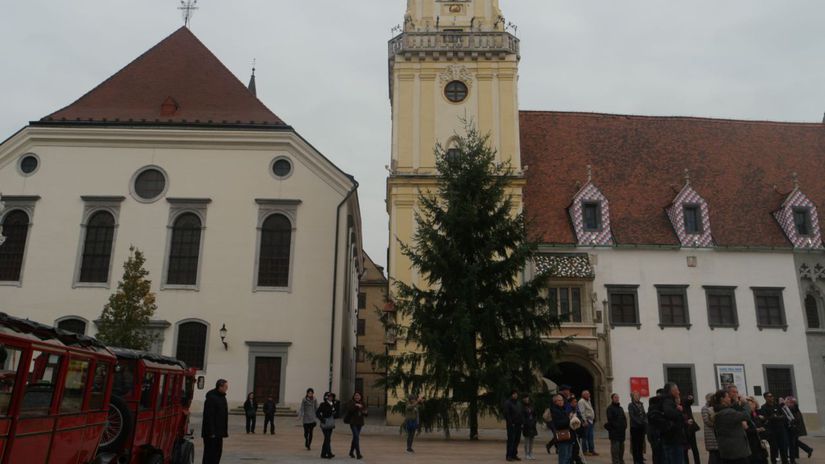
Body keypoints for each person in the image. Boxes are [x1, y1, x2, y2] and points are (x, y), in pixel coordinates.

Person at [713, 390, 751, 464]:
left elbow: (732, 408)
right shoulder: (727, 412)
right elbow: (746, 416)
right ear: (722, 399)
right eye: (728, 397)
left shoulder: (720, 411)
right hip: (736, 451)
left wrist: (736, 402)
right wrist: (745, 403)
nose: (730, 399)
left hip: (727, 450)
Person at [202, 379, 229, 464]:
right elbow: (209, 416)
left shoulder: (222, 397)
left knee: (217, 453)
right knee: (210, 454)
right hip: (212, 433)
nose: (226, 389)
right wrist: (211, 432)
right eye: (225, 387)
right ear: (220, 386)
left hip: (219, 432)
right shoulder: (211, 398)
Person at [760, 392, 789, 464]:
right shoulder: (764, 407)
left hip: (781, 431)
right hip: (772, 432)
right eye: (769, 396)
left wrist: (775, 417)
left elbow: (784, 416)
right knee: (774, 449)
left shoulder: (777, 406)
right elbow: (765, 419)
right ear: (765, 398)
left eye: (772, 396)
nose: (771, 398)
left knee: (783, 448)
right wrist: (773, 417)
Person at [661, 383, 687, 464]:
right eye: (677, 390)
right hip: (673, 439)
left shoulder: (669, 401)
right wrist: (679, 411)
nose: (679, 392)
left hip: (673, 439)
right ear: (672, 391)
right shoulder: (668, 402)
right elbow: (670, 414)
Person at [783, 397, 813, 463]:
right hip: (793, 429)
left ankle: (793, 459)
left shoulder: (793, 409)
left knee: (793, 444)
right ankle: (808, 450)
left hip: (793, 429)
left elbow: (794, 419)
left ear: (792, 403)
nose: (786, 403)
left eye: (788, 402)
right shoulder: (794, 408)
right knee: (794, 443)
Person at [550, 394, 576, 464]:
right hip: (562, 436)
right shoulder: (555, 411)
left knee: (569, 457)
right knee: (563, 458)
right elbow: (558, 424)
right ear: (555, 401)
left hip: (569, 436)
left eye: (562, 400)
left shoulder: (564, 409)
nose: (561, 401)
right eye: (559, 400)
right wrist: (569, 419)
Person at [744, 397, 768, 464]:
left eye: (752, 404)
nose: (752, 406)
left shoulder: (755, 415)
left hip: (759, 442)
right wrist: (757, 430)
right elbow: (747, 430)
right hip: (752, 444)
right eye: (749, 405)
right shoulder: (746, 417)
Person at [344, 391, 368, 459]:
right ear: (354, 396)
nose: (357, 397)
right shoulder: (351, 402)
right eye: (356, 395)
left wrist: (364, 411)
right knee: (356, 437)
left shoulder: (363, 403)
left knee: (355, 438)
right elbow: (350, 409)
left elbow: (365, 413)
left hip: (360, 423)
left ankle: (351, 452)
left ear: (361, 397)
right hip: (353, 422)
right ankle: (358, 453)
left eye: (358, 396)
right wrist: (356, 405)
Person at [606, 393, 628, 464]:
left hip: (621, 432)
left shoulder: (620, 408)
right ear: (612, 398)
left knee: (622, 449)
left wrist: (625, 426)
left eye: (618, 397)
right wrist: (617, 427)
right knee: (615, 449)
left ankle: (621, 461)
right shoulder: (610, 408)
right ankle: (616, 462)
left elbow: (624, 419)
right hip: (614, 432)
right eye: (615, 397)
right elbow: (610, 420)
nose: (617, 398)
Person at [504, 389, 525, 462]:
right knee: (511, 440)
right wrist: (511, 423)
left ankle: (514, 454)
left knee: (517, 440)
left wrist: (522, 423)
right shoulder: (508, 403)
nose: (515, 395)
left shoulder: (519, 403)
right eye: (514, 394)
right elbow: (507, 414)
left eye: (516, 394)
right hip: (511, 425)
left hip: (518, 424)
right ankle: (509, 455)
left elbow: (521, 413)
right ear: (511, 394)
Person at [316, 392, 338, 459]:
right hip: (325, 423)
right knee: (327, 438)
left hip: (331, 422)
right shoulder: (323, 404)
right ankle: (329, 453)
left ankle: (323, 454)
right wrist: (322, 419)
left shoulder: (333, 404)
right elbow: (317, 413)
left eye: (331, 396)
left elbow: (336, 413)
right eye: (329, 396)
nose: (331, 397)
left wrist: (335, 413)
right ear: (326, 397)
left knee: (327, 439)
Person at [648, 389, 667, 464]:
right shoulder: (655, 408)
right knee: (659, 455)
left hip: (654, 435)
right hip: (656, 435)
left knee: (657, 454)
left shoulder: (652, 406)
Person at [629, 391, 648, 464]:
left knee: (640, 444)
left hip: (641, 428)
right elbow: (632, 416)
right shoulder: (631, 405)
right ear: (633, 397)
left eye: (638, 395)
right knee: (635, 445)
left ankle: (640, 460)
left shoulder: (641, 404)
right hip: (635, 427)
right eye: (635, 396)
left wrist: (645, 421)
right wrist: (640, 422)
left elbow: (644, 414)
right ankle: (636, 461)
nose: (637, 397)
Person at [701, 393, 720, 464]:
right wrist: (717, 424)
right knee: (713, 457)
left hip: (716, 435)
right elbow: (707, 421)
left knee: (717, 456)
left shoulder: (715, 407)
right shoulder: (704, 408)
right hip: (711, 435)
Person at [683, 395, 701, 464]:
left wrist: (691, 398)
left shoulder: (684, 401)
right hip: (684, 429)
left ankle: (697, 462)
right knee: (685, 449)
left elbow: (689, 401)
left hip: (690, 428)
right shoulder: (674, 405)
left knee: (694, 447)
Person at [579, 390, 598, 456]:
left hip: (590, 421)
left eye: (589, 394)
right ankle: (585, 450)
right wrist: (584, 421)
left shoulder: (588, 400)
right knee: (585, 437)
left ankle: (591, 450)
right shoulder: (581, 401)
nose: (589, 395)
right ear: (583, 395)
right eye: (587, 394)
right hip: (586, 421)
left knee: (591, 436)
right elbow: (582, 412)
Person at [523, 395, 539, 461]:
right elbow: (522, 416)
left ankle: (531, 453)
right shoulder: (522, 407)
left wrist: (534, 421)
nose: (526, 399)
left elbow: (535, 415)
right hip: (526, 425)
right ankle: (526, 454)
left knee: (532, 440)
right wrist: (525, 422)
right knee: (526, 440)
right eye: (525, 398)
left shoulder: (532, 406)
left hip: (532, 425)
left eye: (527, 398)